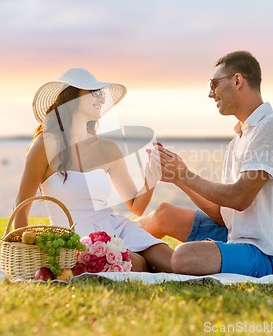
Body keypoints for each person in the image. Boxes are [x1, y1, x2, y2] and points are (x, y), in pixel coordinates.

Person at [140, 50, 273, 277]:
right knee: (163, 214)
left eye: (214, 84)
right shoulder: (239, 137)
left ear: (237, 80)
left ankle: (136, 262)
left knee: (184, 257)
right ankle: (106, 248)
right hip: (235, 236)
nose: (211, 94)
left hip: (269, 255)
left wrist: (187, 175)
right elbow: (223, 214)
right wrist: (179, 177)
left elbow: (239, 198)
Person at [14, 68, 173, 272]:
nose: (102, 98)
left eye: (102, 93)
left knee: (176, 262)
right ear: (71, 97)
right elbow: (22, 205)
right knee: (139, 264)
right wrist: (24, 250)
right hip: (78, 238)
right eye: (95, 92)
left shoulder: (107, 148)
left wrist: (152, 179)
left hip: (117, 226)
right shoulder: (46, 144)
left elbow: (135, 206)